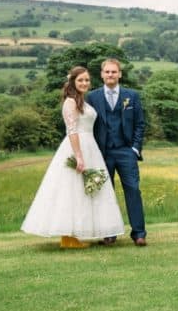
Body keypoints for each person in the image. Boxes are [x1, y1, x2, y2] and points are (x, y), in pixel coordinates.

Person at [21, 66, 124, 248]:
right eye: (80, 80)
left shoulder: (82, 101)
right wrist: (79, 156)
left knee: (83, 192)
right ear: (72, 82)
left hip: (90, 146)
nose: (84, 83)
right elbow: (72, 130)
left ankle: (74, 235)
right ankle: (67, 237)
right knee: (70, 191)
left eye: (86, 80)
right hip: (77, 147)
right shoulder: (70, 102)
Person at [87, 58, 147, 246]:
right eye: (107, 72)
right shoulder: (92, 97)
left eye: (114, 72)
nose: (110, 75)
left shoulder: (132, 96)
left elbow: (139, 124)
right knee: (106, 194)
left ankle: (139, 234)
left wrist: (135, 149)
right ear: (102, 74)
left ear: (119, 74)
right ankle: (109, 233)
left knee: (133, 190)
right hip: (102, 153)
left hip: (126, 151)